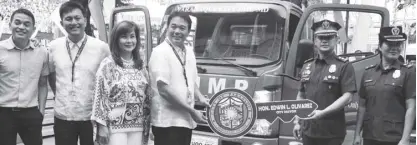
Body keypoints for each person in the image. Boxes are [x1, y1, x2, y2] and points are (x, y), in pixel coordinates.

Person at [48, 1, 110, 145]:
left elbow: (107, 85)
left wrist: (103, 123)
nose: (73, 22)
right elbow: (52, 77)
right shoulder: (53, 47)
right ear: (62, 22)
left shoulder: (101, 48)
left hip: (91, 117)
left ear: (85, 20)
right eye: (68, 19)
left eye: (77, 18)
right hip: (63, 116)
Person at [148, 12, 210, 145]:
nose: (177, 31)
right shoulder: (160, 52)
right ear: (167, 27)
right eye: (173, 26)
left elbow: (191, 79)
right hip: (167, 122)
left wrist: (200, 97)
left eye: (182, 28)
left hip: (185, 120)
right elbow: (163, 89)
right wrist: (192, 111)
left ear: (188, 31)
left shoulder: (189, 51)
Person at [292, 20, 357, 145]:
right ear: (315, 41)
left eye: (329, 37)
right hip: (308, 131)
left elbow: (348, 97)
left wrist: (322, 113)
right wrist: (297, 121)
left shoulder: (344, 66)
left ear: (336, 40)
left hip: (332, 134)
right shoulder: (307, 66)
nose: (324, 41)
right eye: (320, 37)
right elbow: (301, 96)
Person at [353, 26, 416, 145]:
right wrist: (357, 134)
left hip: (394, 138)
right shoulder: (368, 72)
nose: (394, 48)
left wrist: (405, 139)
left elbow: (411, 108)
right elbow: (362, 107)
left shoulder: (408, 72)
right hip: (370, 136)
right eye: (389, 44)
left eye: (398, 44)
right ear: (380, 46)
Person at [91, 21, 151, 145]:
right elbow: (99, 95)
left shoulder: (141, 66)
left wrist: (149, 123)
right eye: (124, 37)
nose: (129, 41)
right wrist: (101, 126)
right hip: (114, 126)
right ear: (116, 39)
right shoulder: (108, 65)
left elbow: (147, 97)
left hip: (138, 125)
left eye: (132, 36)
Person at [0, 8, 49, 145]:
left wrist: (41, 111)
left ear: (33, 28)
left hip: (31, 112)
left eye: (27, 24)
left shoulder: (42, 52)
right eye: (17, 22)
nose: (21, 27)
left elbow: (43, 84)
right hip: (4, 112)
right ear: (10, 25)